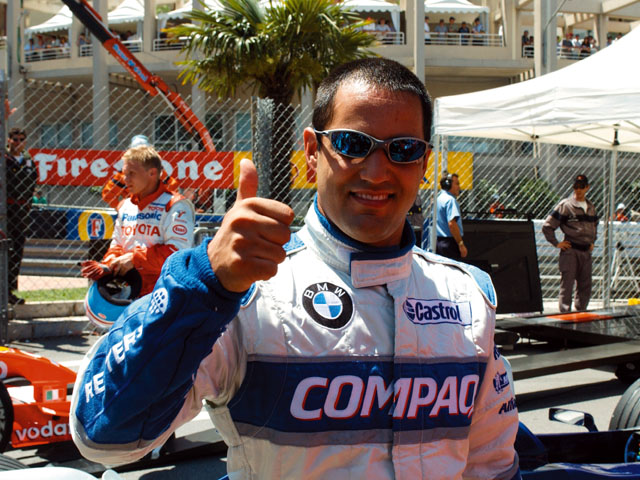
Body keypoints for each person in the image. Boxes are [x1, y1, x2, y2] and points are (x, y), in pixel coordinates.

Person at [69, 58, 520, 479]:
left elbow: (491, 467)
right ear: (311, 151)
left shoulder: (467, 297)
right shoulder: (247, 291)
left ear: (423, 162)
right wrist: (205, 283)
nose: (377, 172)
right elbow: (104, 435)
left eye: (402, 149)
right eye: (352, 144)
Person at [81, 145, 195, 297]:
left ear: (152, 173)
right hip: (127, 289)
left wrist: (134, 259)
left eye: (131, 174)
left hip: (163, 292)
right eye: (124, 173)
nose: (125, 179)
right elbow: (117, 245)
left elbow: (177, 253)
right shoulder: (125, 205)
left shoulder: (176, 205)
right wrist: (110, 263)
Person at [542, 174, 598, 312]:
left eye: (581, 187)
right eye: (575, 187)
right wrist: (556, 243)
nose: (578, 190)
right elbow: (547, 226)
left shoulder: (591, 207)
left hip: (586, 251)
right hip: (571, 251)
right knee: (567, 284)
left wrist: (592, 242)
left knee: (585, 285)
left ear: (587, 188)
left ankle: (581, 312)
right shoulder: (566, 205)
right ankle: (565, 314)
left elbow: (594, 226)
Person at [101, 134, 178, 209]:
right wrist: (122, 209)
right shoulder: (156, 172)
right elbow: (173, 187)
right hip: (150, 210)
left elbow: (108, 195)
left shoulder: (123, 175)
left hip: (146, 211)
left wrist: (122, 208)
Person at [5, 127, 37, 305]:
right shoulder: (4, 160)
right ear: (9, 141)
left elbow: (32, 184)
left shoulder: (28, 161)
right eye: (15, 139)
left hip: (21, 212)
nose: (18, 143)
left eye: (21, 139)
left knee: (16, 250)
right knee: (5, 250)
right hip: (6, 211)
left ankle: (9, 291)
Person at [436, 171, 467, 259]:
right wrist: (461, 244)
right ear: (448, 185)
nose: (459, 187)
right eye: (457, 184)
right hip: (450, 244)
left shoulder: (438, 198)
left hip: (439, 242)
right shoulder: (450, 200)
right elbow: (452, 224)